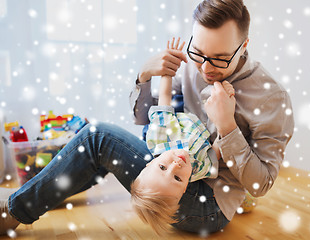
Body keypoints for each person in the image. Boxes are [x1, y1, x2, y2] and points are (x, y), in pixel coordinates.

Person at [0, 0, 294, 236]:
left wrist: (228, 127)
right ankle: (29, 196)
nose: (205, 68)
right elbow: (147, 121)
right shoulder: (192, 66)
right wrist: (144, 76)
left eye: (219, 58)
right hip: (168, 175)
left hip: (207, 205)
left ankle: (13, 210)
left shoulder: (271, 99)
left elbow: (260, 185)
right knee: (102, 149)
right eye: (198, 52)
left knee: (99, 137)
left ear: (244, 46)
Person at [130, 37, 240, 234]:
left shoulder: (160, 138)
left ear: (150, 163)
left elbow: (165, 98)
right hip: (198, 128)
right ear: (184, 190)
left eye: (162, 167)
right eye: (177, 178)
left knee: (173, 103)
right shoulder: (198, 169)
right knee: (210, 102)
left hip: (174, 121)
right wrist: (225, 103)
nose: (176, 165)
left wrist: (167, 72)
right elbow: (218, 148)